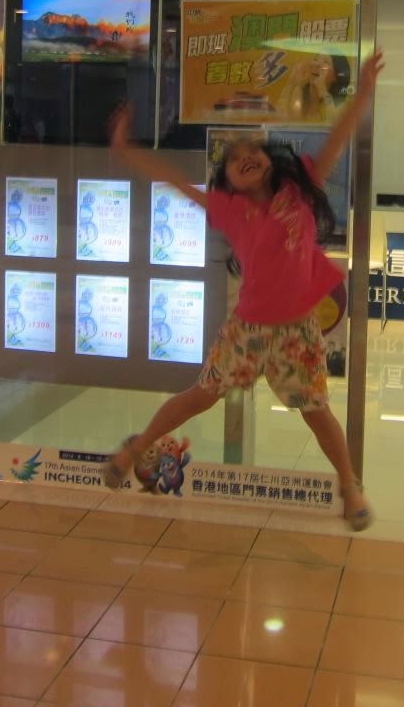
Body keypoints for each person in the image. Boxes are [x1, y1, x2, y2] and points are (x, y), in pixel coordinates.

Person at [105, 50, 385, 531]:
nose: (245, 158)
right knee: (200, 396)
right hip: (248, 330)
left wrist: (361, 96)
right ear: (227, 182)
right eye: (234, 160)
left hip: (297, 331)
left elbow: (337, 140)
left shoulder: (298, 189)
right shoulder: (229, 210)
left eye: (252, 152)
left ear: (270, 162)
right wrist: (124, 149)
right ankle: (137, 446)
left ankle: (349, 485)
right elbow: (171, 180)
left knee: (316, 412)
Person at [276, 52, 351, 124]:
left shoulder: (342, 106)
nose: (316, 64)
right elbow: (281, 121)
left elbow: (334, 127)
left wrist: (324, 93)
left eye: (325, 62)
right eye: (315, 60)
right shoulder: (299, 92)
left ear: (335, 76)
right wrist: (291, 84)